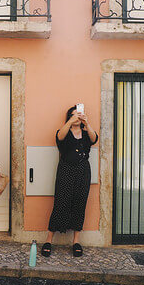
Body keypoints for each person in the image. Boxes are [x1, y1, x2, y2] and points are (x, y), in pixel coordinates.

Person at [42, 105, 98, 257]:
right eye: (73, 115)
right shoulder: (64, 132)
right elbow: (59, 137)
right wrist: (69, 122)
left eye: (79, 114)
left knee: (80, 203)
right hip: (66, 171)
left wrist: (87, 124)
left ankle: (76, 241)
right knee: (61, 203)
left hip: (83, 172)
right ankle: (48, 240)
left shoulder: (86, 133)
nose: (77, 117)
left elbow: (94, 139)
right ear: (69, 117)